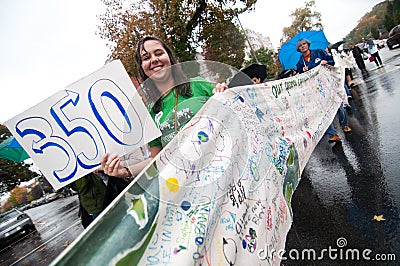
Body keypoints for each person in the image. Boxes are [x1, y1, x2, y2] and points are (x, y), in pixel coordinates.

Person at [101, 36, 228, 177]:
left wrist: (226, 95)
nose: (154, 59)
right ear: (142, 68)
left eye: (159, 53)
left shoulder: (199, 86)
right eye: (146, 57)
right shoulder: (150, 113)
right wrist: (124, 171)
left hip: (223, 172)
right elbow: (157, 159)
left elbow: (232, 118)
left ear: (169, 57)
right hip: (190, 185)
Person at [296, 38, 351, 143]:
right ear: (298, 49)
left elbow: (333, 61)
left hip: (328, 85)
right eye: (300, 45)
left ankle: (344, 125)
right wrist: (302, 71)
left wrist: (326, 61)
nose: (302, 46)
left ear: (308, 44)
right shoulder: (300, 62)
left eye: (304, 44)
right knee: (322, 112)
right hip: (315, 90)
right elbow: (300, 76)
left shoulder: (319, 52)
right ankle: (333, 134)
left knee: (338, 106)